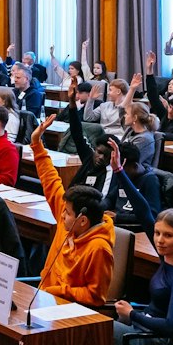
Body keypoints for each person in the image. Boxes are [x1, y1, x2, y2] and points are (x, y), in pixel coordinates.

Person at [30, 113, 116, 304]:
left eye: (67, 213)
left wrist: (57, 291)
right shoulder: (69, 220)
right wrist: (36, 143)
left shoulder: (98, 248)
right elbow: (50, 179)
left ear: (82, 220)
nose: (61, 215)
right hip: (44, 298)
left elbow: (95, 297)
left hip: (68, 309)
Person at [112, 209, 173, 345]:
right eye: (157, 233)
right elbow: (143, 212)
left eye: (168, 235)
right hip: (143, 328)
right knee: (94, 327)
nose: (160, 240)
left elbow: (172, 326)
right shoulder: (166, 258)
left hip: (159, 341)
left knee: (98, 329)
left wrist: (132, 314)